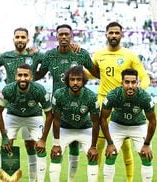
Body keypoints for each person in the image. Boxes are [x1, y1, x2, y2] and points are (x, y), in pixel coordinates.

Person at [36, 24, 99, 181]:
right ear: (56, 36)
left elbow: (96, 72)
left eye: (67, 34)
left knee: (75, 147)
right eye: (61, 34)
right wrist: (29, 65)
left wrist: (101, 60)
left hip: (80, 105)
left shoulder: (81, 53)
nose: (64, 37)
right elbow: (39, 75)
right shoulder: (50, 55)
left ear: (71, 36)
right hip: (60, 107)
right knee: (59, 149)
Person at [93, 21, 150, 182]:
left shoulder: (130, 55)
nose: (113, 35)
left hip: (123, 106)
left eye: (117, 33)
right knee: (100, 146)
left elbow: (144, 77)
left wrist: (140, 90)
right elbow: (91, 73)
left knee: (125, 147)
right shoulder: (98, 55)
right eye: (111, 33)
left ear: (121, 34)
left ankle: (129, 180)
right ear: (106, 34)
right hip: (103, 104)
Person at [0, 64, 53, 182]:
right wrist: (4, 136)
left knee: (38, 147)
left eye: (25, 75)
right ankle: (6, 180)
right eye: (20, 75)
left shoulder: (39, 90)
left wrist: (43, 140)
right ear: (15, 76)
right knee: (7, 145)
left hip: (34, 116)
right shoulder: (8, 89)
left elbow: (49, 114)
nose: (22, 78)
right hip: (13, 116)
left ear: (31, 77)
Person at [100, 68, 156, 182]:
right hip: (117, 125)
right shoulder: (113, 95)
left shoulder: (144, 97)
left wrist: (147, 144)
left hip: (138, 125)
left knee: (146, 156)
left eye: (133, 82)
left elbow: (153, 121)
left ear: (137, 83)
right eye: (127, 82)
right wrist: (110, 143)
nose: (130, 86)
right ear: (122, 83)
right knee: (111, 154)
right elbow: (103, 119)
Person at [47, 66, 100, 182]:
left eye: (78, 79)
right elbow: (55, 119)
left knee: (93, 157)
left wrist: (94, 146)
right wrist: (56, 143)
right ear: (67, 80)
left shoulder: (91, 96)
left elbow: (96, 122)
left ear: (83, 81)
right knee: (56, 155)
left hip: (85, 129)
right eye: (72, 79)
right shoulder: (59, 94)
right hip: (64, 129)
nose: (75, 82)